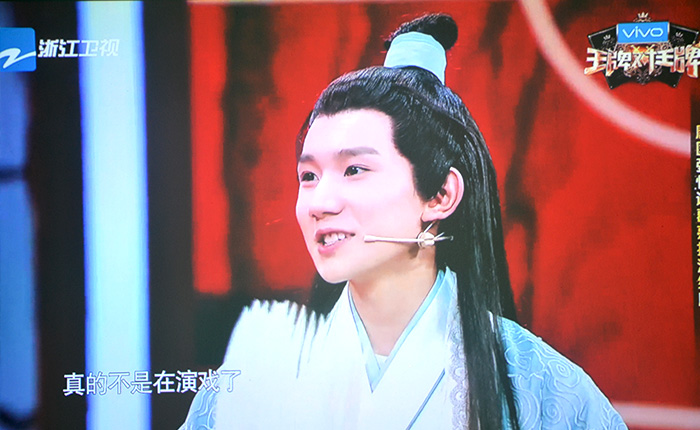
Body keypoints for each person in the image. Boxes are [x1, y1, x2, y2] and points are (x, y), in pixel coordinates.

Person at [181, 13, 627, 430]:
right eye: (309, 176)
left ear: (441, 195)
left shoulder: (539, 385)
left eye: (354, 169)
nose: (320, 202)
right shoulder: (254, 381)